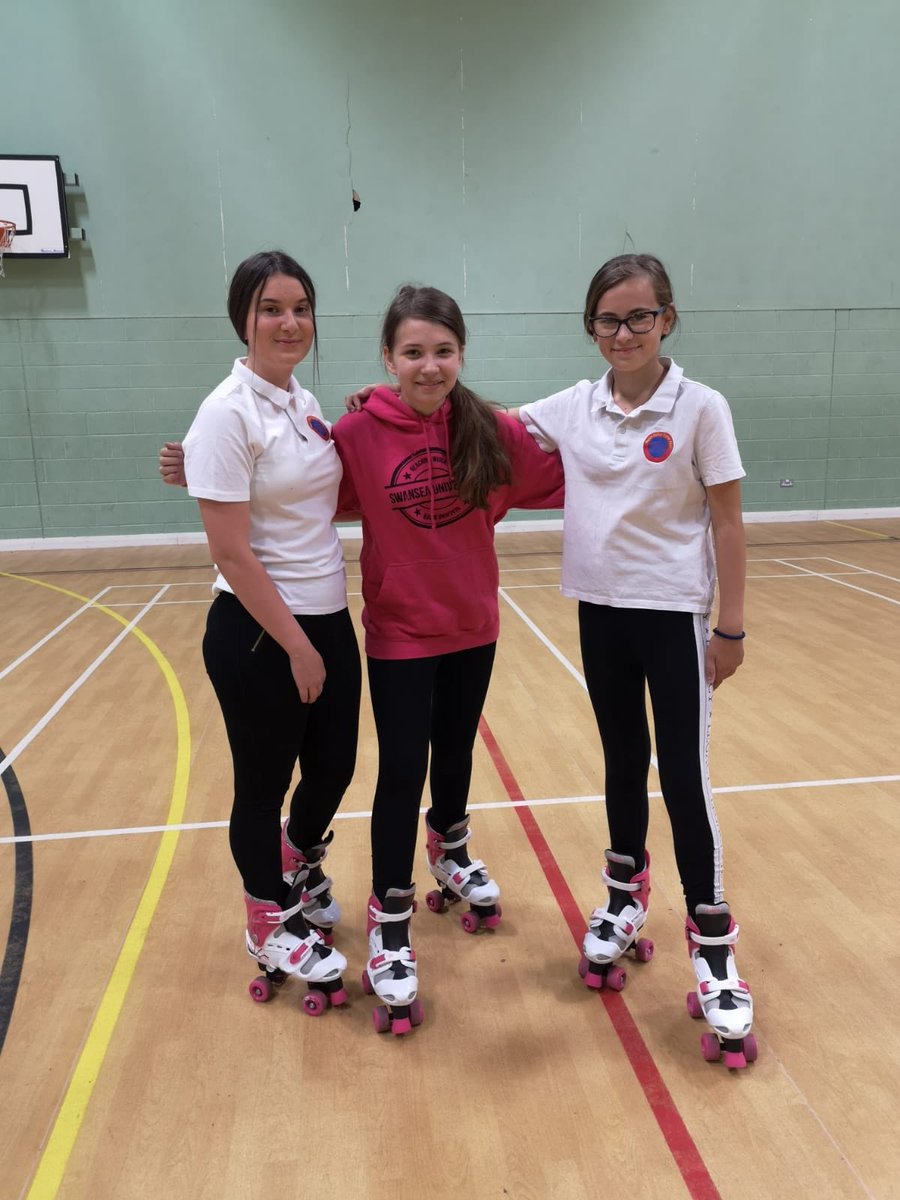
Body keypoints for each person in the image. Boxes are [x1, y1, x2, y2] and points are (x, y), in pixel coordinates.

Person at [162, 281, 564, 1036]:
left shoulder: (477, 427)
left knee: (406, 761)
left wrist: (657, 462)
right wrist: (209, 469)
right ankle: (386, 919)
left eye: (443, 351)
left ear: (462, 354)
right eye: (412, 351)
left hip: (469, 625)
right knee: (388, 771)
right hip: (388, 632)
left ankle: (438, 850)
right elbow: (301, 489)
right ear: (387, 358)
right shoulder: (349, 429)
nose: (428, 365)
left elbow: (565, 473)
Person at [515, 253, 755, 1068]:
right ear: (592, 328)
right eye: (609, 320)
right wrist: (387, 406)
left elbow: (727, 522)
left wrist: (732, 627)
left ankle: (714, 944)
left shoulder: (701, 408)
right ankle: (623, 897)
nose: (624, 333)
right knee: (623, 761)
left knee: (684, 780)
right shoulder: (575, 406)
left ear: (668, 319)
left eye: (640, 317)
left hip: (674, 619)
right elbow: (490, 426)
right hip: (600, 612)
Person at [177, 250, 361, 1015]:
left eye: (300, 307)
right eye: (270, 309)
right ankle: (266, 918)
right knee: (262, 786)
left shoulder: (303, 402)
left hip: (326, 614)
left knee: (335, 768)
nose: (289, 322)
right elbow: (230, 549)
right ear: (242, 319)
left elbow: (325, 507)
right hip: (260, 632)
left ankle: (296, 863)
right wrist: (293, 643)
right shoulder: (226, 411)